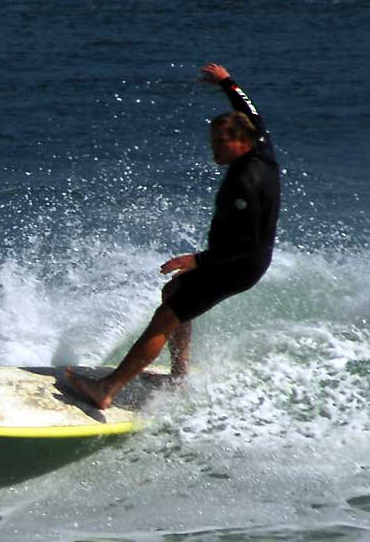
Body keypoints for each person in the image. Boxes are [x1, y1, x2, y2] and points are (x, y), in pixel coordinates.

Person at [66, 63, 280, 409]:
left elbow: (246, 243)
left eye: (221, 144)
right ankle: (178, 376)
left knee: (166, 317)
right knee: (174, 293)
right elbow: (250, 110)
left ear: (241, 143)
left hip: (238, 263)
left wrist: (198, 260)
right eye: (213, 141)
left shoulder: (245, 182)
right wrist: (228, 82)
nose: (214, 150)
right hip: (238, 259)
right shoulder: (262, 145)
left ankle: (107, 389)